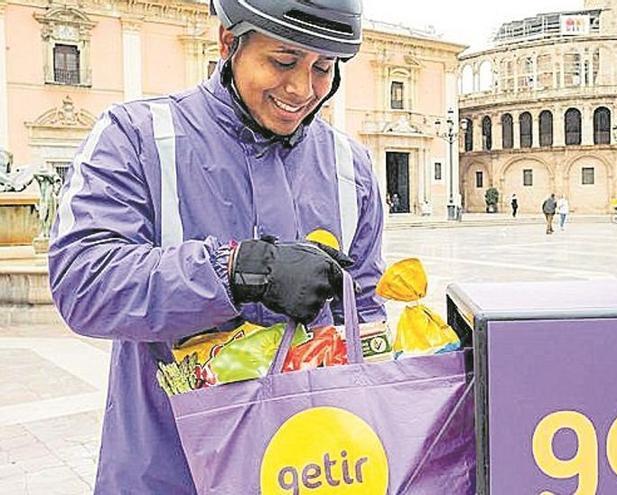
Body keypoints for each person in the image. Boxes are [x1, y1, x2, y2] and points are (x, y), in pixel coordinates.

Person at [47, 1, 386, 493]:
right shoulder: (138, 137)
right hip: (168, 470)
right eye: (283, 61)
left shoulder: (349, 165)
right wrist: (238, 270)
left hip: (314, 469)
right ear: (229, 43)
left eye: (323, 67)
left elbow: (368, 314)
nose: (302, 89)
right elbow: (84, 283)